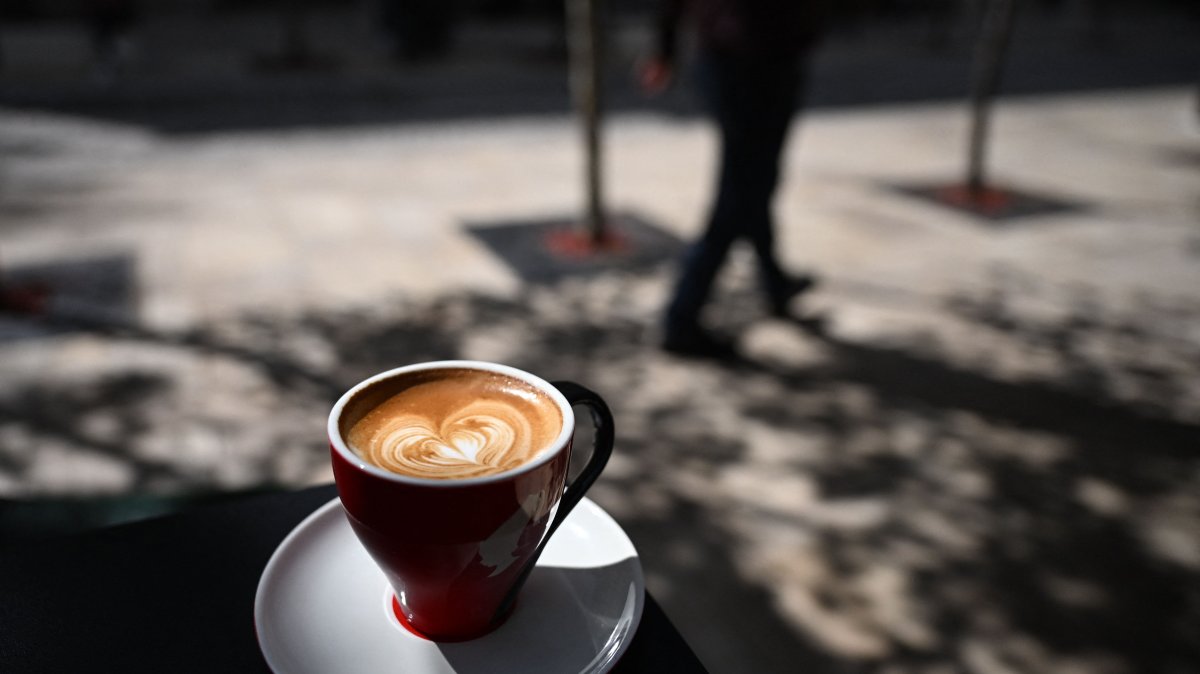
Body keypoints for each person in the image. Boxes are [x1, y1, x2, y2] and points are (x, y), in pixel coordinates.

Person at [641, 0, 827, 358]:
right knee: (739, 196)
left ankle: (775, 283)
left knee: (758, 182)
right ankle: (681, 317)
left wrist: (665, 50)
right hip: (749, 64)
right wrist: (664, 50)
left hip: (761, 58)